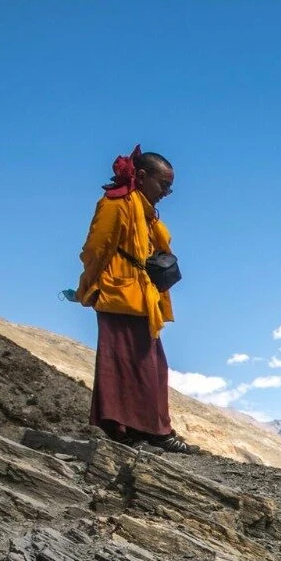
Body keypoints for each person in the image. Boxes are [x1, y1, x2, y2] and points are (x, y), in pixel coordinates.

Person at [75, 146, 198, 453]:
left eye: (170, 186)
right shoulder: (115, 205)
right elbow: (96, 249)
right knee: (128, 363)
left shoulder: (143, 210)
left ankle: (145, 429)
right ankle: (134, 431)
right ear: (141, 177)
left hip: (140, 296)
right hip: (119, 293)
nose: (167, 192)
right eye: (163, 185)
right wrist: (89, 287)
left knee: (150, 364)